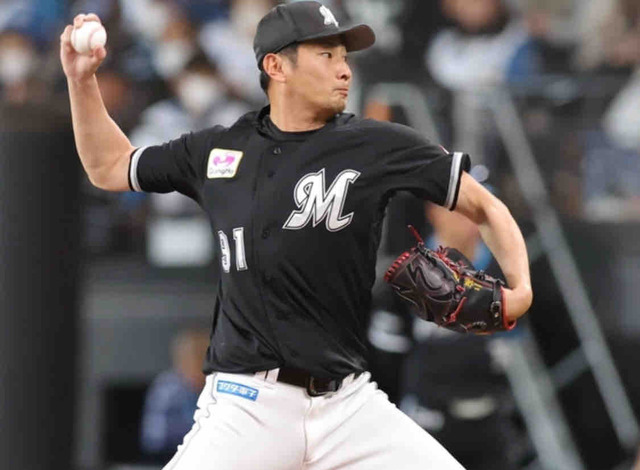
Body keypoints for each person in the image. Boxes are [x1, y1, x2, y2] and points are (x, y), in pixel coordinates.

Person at [60, 2, 532, 469]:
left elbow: (485, 206)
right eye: (326, 55)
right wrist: (82, 83)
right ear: (276, 66)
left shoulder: (376, 144)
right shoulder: (218, 150)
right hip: (248, 404)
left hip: (348, 404)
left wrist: (521, 288)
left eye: (344, 56)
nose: (344, 69)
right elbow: (110, 166)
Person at [140, 329, 210, 459]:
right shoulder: (166, 389)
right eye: (190, 358)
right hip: (170, 459)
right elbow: (155, 437)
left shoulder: (218, 387)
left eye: (201, 357)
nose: (196, 364)